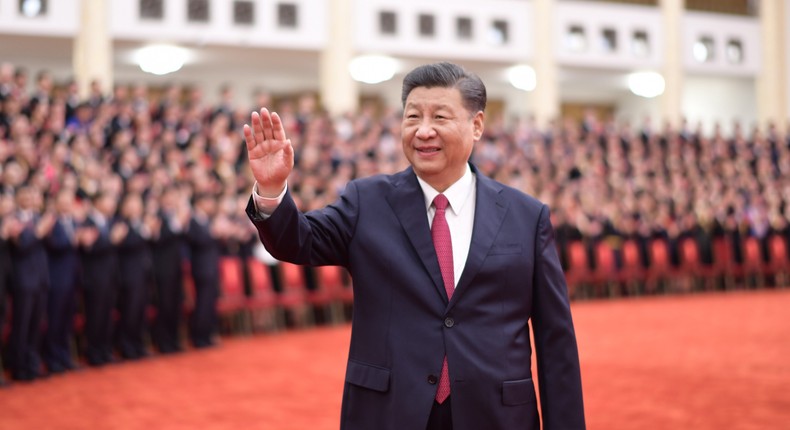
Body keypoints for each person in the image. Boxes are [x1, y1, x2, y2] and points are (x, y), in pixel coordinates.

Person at [243, 62, 585, 429]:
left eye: (440, 117)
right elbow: (297, 242)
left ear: (477, 125)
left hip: (495, 414)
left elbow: (556, 341)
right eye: (413, 117)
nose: (423, 131)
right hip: (390, 411)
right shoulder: (367, 201)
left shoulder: (526, 217)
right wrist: (272, 190)